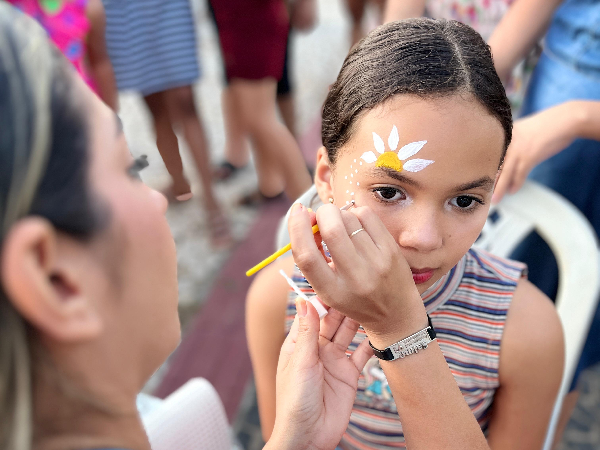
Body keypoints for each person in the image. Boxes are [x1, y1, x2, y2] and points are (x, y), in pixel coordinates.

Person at [247, 18, 564, 449]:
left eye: (465, 201)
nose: (424, 238)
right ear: (325, 176)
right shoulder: (279, 299)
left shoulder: (524, 330)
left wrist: (399, 329)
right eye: (389, 191)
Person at [488, 0, 600, 442]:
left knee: (571, 324)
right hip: (561, 82)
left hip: (567, 119)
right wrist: (466, 82)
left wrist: (576, 117)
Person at [102, 0, 231, 247]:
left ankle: (212, 202)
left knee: (185, 101)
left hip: (167, 7)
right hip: (123, 11)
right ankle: (180, 184)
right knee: (154, 105)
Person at [208, 0, 312, 202]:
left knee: (260, 120)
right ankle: (270, 186)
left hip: (252, 22)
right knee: (253, 116)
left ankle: (309, 204)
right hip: (235, 20)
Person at [6, 0, 118, 110]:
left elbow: (100, 62)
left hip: (77, 107)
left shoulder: (88, 6)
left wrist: (112, 117)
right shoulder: (7, 9)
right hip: (24, 109)